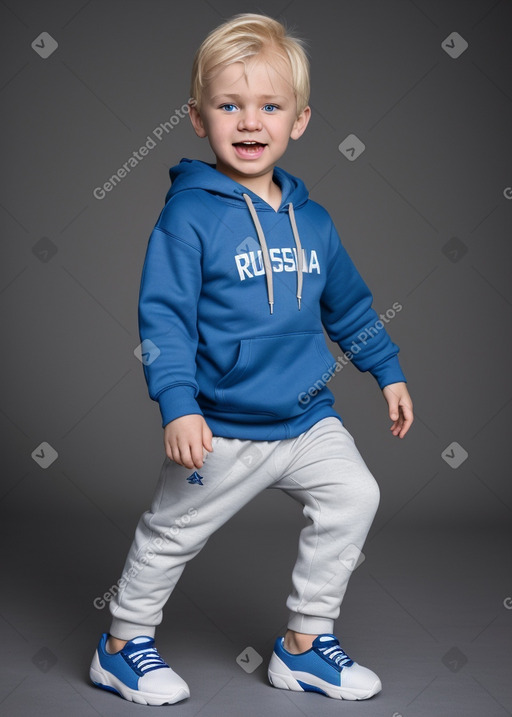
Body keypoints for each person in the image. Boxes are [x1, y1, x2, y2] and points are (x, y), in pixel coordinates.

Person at [89, 12, 413, 706]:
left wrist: (387, 370)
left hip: (305, 418)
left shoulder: (314, 221)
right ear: (198, 117)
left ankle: (303, 646)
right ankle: (119, 645)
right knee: (170, 534)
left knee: (356, 493)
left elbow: (351, 308)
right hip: (222, 425)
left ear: (298, 121)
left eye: (270, 105)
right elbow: (164, 320)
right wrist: (178, 404)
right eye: (229, 104)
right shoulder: (190, 216)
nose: (249, 121)